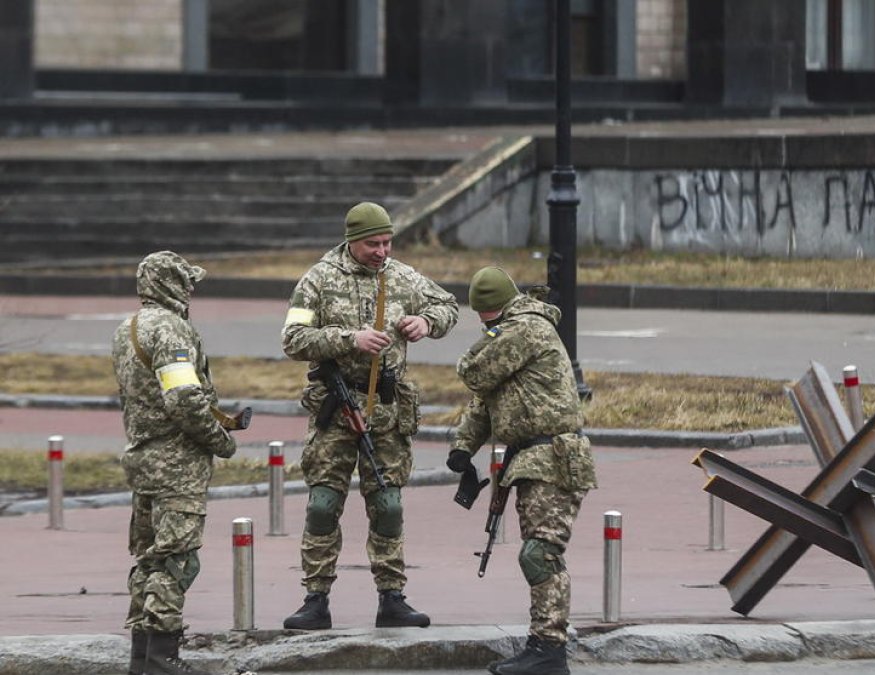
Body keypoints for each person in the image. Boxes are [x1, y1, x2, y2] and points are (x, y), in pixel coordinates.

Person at [281, 201, 459, 630]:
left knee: (388, 504)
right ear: (351, 241)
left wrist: (426, 321)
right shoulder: (319, 280)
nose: (382, 251)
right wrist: (349, 339)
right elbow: (293, 338)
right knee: (323, 505)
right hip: (336, 410)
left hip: (386, 412)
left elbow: (449, 306)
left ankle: (392, 597)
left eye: (386, 242)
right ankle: (315, 599)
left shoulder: (401, 276)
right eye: (372, 244)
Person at [446, 266, 597, 675]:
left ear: (498, 309)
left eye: (487, 319)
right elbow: (485, 395)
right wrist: (463, 447)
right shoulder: (510, 333)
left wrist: (488, 338)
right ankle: (542, 645)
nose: (485, 327)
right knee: (537, 552)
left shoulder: (526, 328)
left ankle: (549, 650)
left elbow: (473, 370)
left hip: (554, 455)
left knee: (540, 554)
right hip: (532, 458)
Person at [112, 251, 238, 675]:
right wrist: (219, 439)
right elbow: (183, 399)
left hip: (142, 457)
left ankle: (142, 659)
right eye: (186, 283)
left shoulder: (128, 327)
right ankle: (163, 662)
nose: (191, 291)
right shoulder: (171, 330)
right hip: (176, 463)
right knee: (175, 559)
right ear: (170, 285)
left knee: (147, 558)